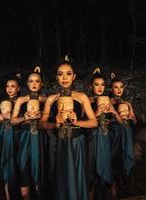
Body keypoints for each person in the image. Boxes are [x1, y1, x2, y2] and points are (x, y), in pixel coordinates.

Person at [40, 58, 98, 200]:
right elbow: (41, 124)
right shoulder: (51, 99)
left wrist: (77, 121)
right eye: (60, 74)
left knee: (77, 177)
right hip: (58, 143)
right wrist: (54, 124)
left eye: (68, 73)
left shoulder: (81, 97)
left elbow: (94, 122)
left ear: (74, 76)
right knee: (58, 178)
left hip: (77, 143)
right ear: (56, 77)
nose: (64, 78)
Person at [11, 66, 46, 200]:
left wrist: (42, 115)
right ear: (27, 83)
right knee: (24, 168)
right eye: (31, 81)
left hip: (40, 136)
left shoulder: (45, 100)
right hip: (25, 136)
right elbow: (13, 121)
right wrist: (24, 118)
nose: (34, 84)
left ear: (41, 84)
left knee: (39, 169)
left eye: (37, 81)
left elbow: (51, 120)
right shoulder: (21, 100)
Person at [87, 68, 123, 200]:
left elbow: (121, 123)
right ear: (91, 86)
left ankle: (112, 194)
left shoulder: (110, 101)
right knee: (91, 170)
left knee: (108, 167)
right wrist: (96, 114)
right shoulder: (87, 101)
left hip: (107, 137)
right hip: (92, 137)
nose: (100, 87)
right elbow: (83, 123)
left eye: (102, 84)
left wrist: (113, 112)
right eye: (97, 84)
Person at [109, 72, 136, 198]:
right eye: (116, 87)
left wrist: (132, 117)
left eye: (121, 87)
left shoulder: (127, 103)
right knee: (115, 156)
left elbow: (135, 122)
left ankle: (126, 185)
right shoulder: (108, 102)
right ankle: (114, 186)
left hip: (127, 132)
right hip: (114, 133)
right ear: (111, 89)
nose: (119, 90)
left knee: (127, 156)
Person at [0, 74, 21, 200]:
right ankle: (7, 195)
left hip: (15, 134)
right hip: (4, 133)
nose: (9, 89)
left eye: (13, 86)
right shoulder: (3, 102)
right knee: (5, 162)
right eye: (7, 86)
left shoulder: (21, 102)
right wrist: (0, 118)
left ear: (18, 88)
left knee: (15, 162)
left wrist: (13, 117)